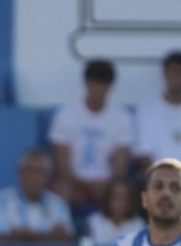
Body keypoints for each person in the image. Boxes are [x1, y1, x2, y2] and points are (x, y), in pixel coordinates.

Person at [50, 59, 134, 210]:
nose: (98, 90)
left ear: (110, 87)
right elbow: (62, 166)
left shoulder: (122, 117)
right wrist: (86, 185)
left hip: (106, 184)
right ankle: (64, 232)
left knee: (122, 193)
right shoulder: (65, 115)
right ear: (86, 83)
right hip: (74, 183)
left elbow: (120, 167)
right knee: (61, 193)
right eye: (94, 84)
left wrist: (107, 187)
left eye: (103, 85)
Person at [87, 179, 146, 246]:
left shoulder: (139, 225)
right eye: (115, 196)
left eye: (123, 197)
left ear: (130, 201)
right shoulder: (94, 221)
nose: (119, 201)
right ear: (108, 198)